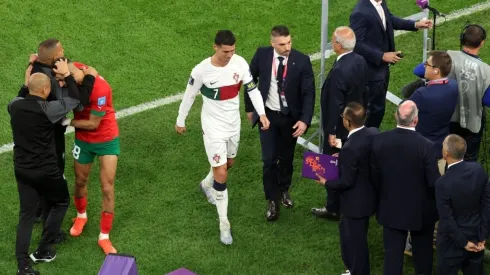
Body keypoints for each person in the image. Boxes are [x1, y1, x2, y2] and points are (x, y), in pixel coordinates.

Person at [175, 30, 270, 244]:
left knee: (229, 163)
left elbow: (252, 90)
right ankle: (224, 224)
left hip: (233, 124)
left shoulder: (239, 63)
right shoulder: (201, 71)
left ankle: (206, 184)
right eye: (226, 51)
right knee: (221, 173)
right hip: (213, 127)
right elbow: (189, 95)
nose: (229, 55)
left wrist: (262, 113)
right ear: (215, 47)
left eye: (233, 50)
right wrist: (181, 120)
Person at [8, 60, 81, 275]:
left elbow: (19, 96)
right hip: (46, 170)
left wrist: (26, 84)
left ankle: (23, 265)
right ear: (47, 89)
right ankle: (44, 249)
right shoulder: (48, 109)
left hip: (22, 169)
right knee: (61, 202)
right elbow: (75, 99)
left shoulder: (14, 106)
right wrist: (67, 75)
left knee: (26, 215)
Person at [244, 25, 315, 221]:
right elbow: (249, 81)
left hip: (290, 118)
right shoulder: (262, 55)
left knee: (286, 158)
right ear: (272, 43)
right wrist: (250, 108)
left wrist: (304, 120)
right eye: (282, 44)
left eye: (289, 42)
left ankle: (284, 189)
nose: (287, 47)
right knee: (268, 160)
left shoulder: (301, 60)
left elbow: (308, 92)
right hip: (268, 116)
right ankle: (272, 200)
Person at [370, 100, 440, 275]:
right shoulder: (426, 146)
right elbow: (433, 183)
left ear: (396, 116)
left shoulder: (380, 141)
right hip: (421, 213)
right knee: (423, 257)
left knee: (392, 257)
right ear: (415, 120)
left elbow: (374, 176)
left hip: (390, 208)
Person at [60, 61, 120, 255]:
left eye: (66, 79)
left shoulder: (100, 88)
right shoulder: (70, 75)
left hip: (105, 138)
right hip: (83, 139)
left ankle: (104, 236)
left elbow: (93, 124)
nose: (64, 83)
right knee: (80, 180)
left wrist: (68, 122)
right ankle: (81, 216)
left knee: (107, 186)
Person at [312, 26, 368, 220]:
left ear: (338, 45)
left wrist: (332, 131)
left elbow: (335, 104)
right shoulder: (360, 61)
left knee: (333, 163)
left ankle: (333, 206)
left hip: (341, 126)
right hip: (355, 122)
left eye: (333, 40)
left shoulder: (339, 71)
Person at [411, 24, 490, 162]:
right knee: (469, 158)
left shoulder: (448, 56)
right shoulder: (486, 70)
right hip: (471, 122)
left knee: (448, 151)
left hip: (448, 117)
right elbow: (488, 100)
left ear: (462, 39)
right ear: (482, 43)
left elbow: (418, 70)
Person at [316, 102, 378, 275]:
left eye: (343, 117)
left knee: (354, 243)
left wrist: (325, 182)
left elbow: (346, 181)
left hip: (355, 204)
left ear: (348, 122)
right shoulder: (371, 133)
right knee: (353, 238)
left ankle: (357, 271)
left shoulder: (350, 148)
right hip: (368, 197)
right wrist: (343, 154)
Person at [349, 0, 432, 128]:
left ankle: (370, 134)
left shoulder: (381, 3)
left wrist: (415, 25)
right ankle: (366, 136)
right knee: (373, 108)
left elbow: (389, 19)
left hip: (381, 66)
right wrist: (382, 55)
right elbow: (356, 44)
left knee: (378, 106)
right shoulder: (360, 12)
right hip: (371, 69)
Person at [435, 134, 490, 275]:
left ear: (445, 154)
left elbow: (446, 218)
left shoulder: (443, 183)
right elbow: (486, 204)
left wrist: (463, 242)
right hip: (476, 237)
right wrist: (483, 235)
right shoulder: (478, 170)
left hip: (450, 244)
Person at [409, 51, 458, 174]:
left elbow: (403, 110)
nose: (424, 66)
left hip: (420, 149)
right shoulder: (453, 85)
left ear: (436, 70)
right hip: (440, 147)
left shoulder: (422, 94)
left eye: (427, 64)